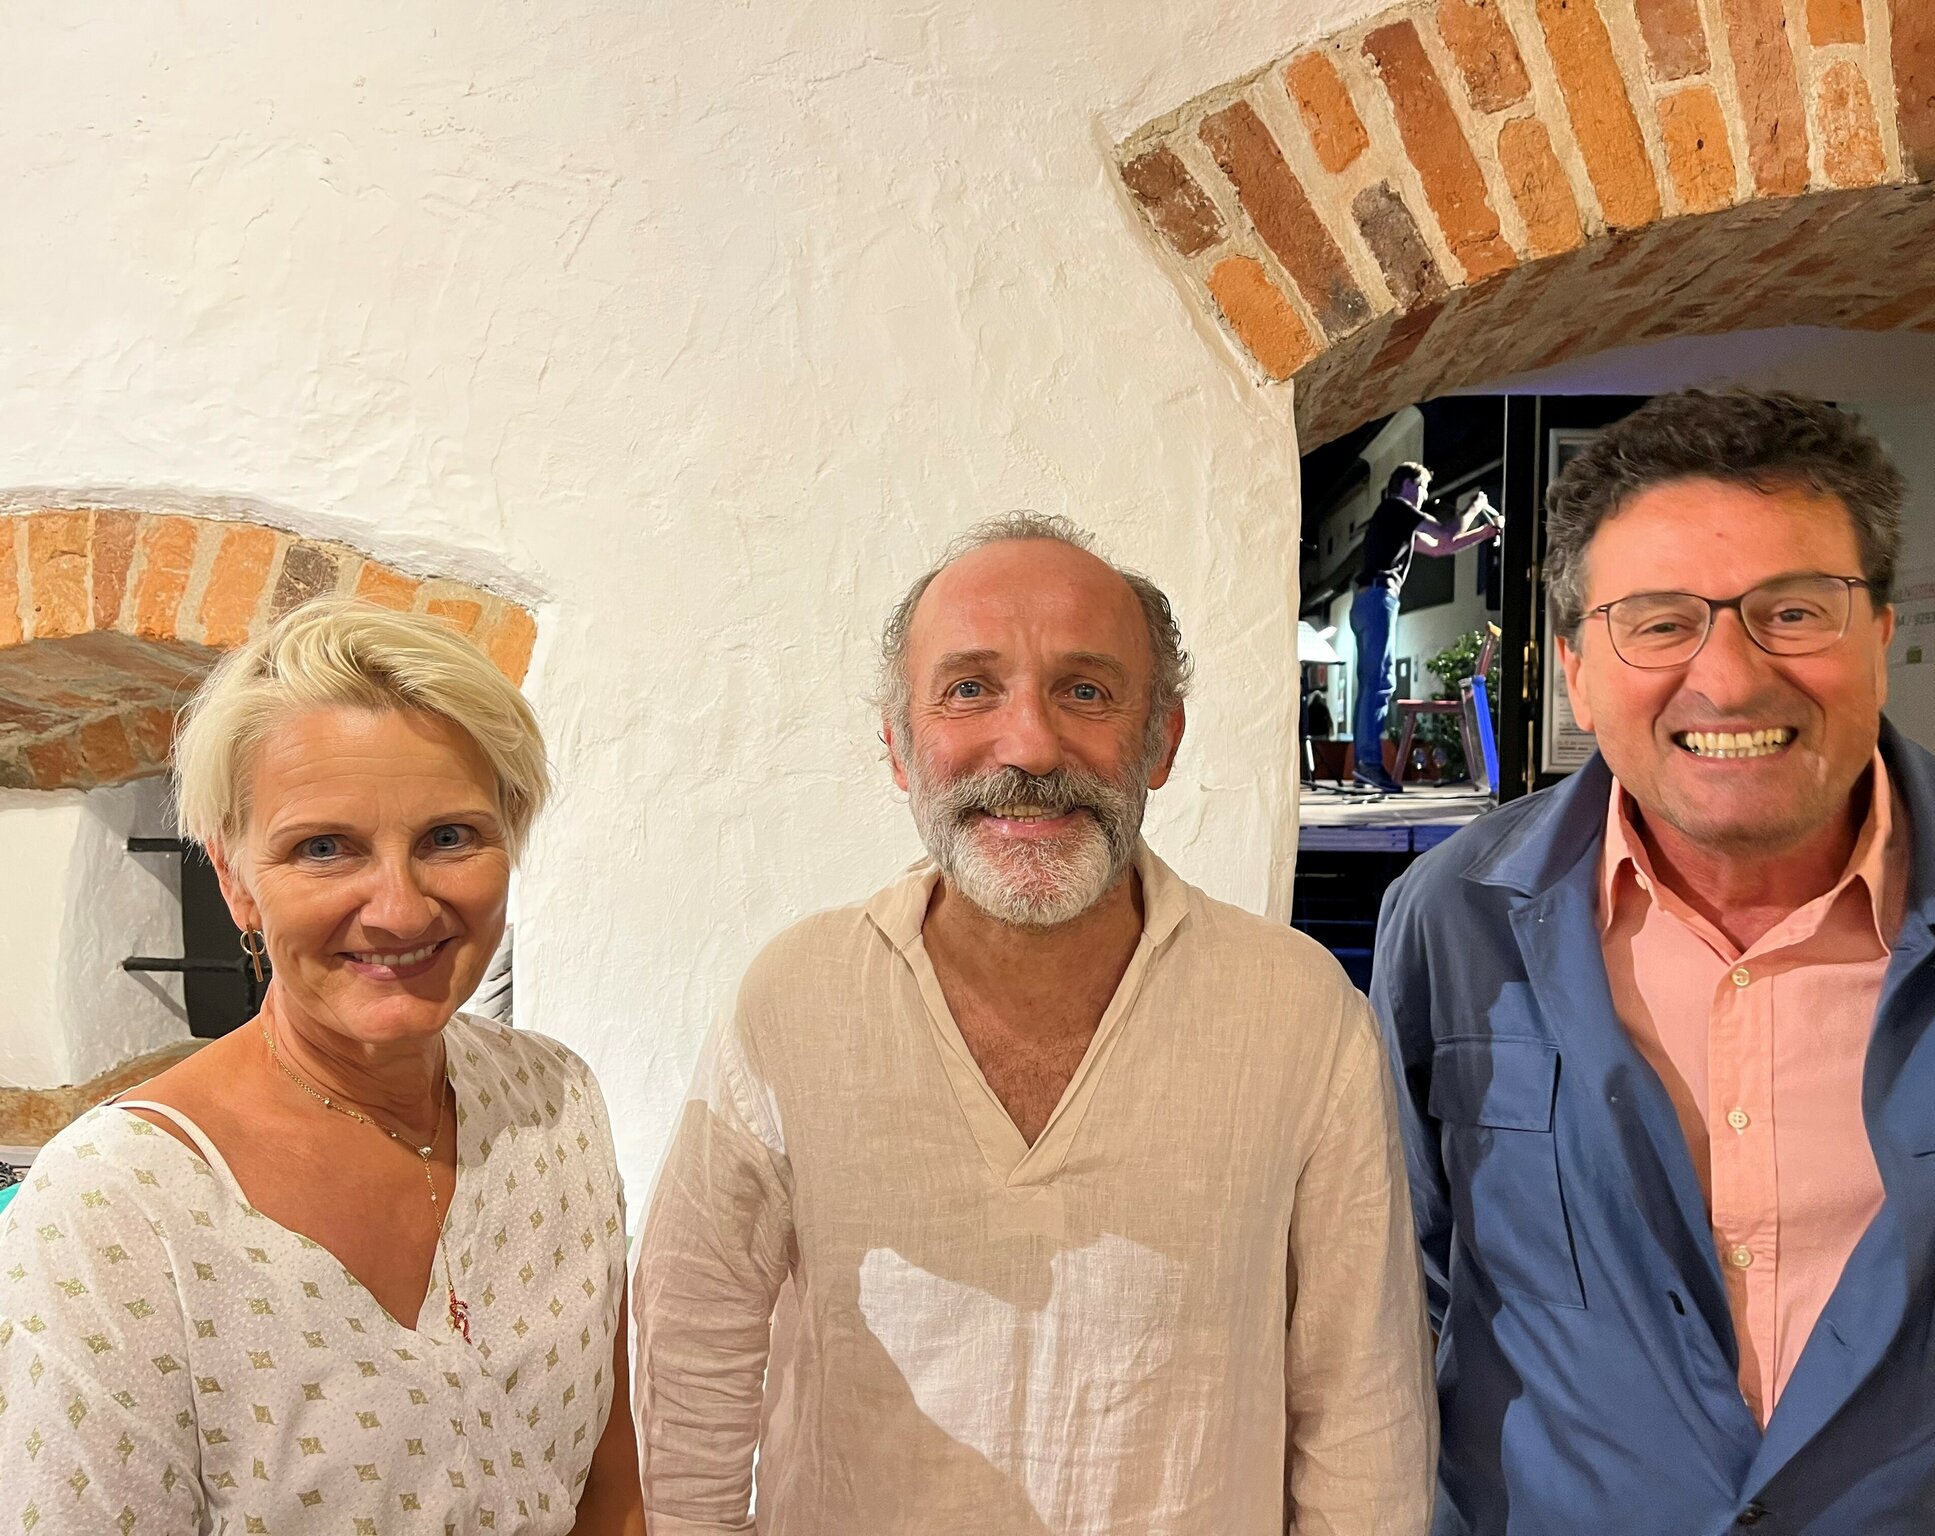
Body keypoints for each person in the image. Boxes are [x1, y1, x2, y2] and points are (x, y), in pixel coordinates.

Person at [634, 512, 1434, 1533]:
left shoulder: (1297, 1014)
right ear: (898, 746)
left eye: (1085, 691)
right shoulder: (795, 999)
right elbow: (690, 1357)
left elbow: (1362, 1410)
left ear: (1161, 740)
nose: (1029, 745)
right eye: (969, 689)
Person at [1372, 390, 1935, 1534]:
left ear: (1879, 639)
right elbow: (1402, 1300)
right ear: (1576, 667)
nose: (1728, 679)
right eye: (1657, 622)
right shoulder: (1453, 921)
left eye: (1793, 612)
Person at [0, 598, 644, 1534]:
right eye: (325, 848)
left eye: (449, 837)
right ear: (234, 878)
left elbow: (609, 1488)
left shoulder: (555, 1105)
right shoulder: (116, 1213)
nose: (401, 909)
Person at [1342, 463, 1501, 792]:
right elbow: (1447, 532)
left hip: (1368, 600)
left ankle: (1365, 764)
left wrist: (1485, 533)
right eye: (1422, 487)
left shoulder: (1395, 519)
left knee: (1373, 683)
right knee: (1379, 683)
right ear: (1407, 485)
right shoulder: (1397, 507)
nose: (1425, 495)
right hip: (1378, 598)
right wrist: (1475, 507)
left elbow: (1441, 548)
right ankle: (1368, 764)